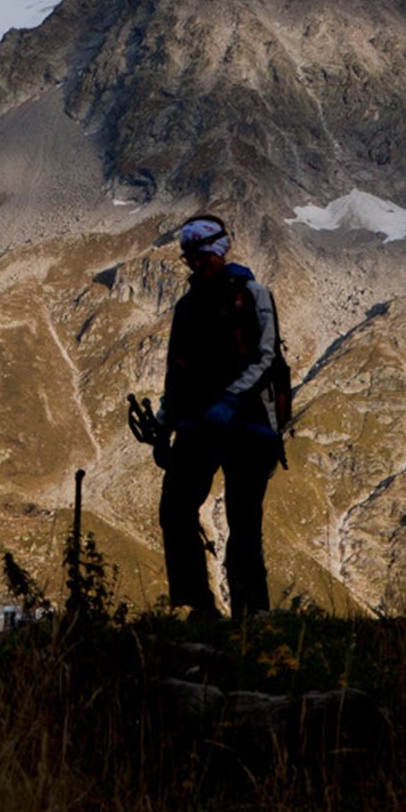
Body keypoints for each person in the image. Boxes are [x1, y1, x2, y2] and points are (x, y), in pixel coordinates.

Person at [155, 214, 284, 620]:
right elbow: (176, 371)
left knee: (243, 518)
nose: (197, 264)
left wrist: (229, 399)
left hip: (246, 424)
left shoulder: (254, 295)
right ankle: (197, 605)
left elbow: (267, 357)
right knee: (175, 509)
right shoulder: (187, 307)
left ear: (218, 251)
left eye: (201, 256)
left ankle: (251, 609)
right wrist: (163, 424)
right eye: (190, 258)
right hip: (201, 423)